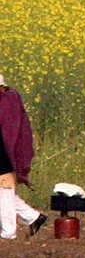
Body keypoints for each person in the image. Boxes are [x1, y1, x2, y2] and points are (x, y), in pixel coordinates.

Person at [0, 76, 47, 240]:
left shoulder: (8, 101)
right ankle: (33, 217)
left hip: (6, 154)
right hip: (5, 151)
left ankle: (9, 232)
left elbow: (10, 132)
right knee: (4, 192)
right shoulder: (7, 99)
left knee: (4, 191)